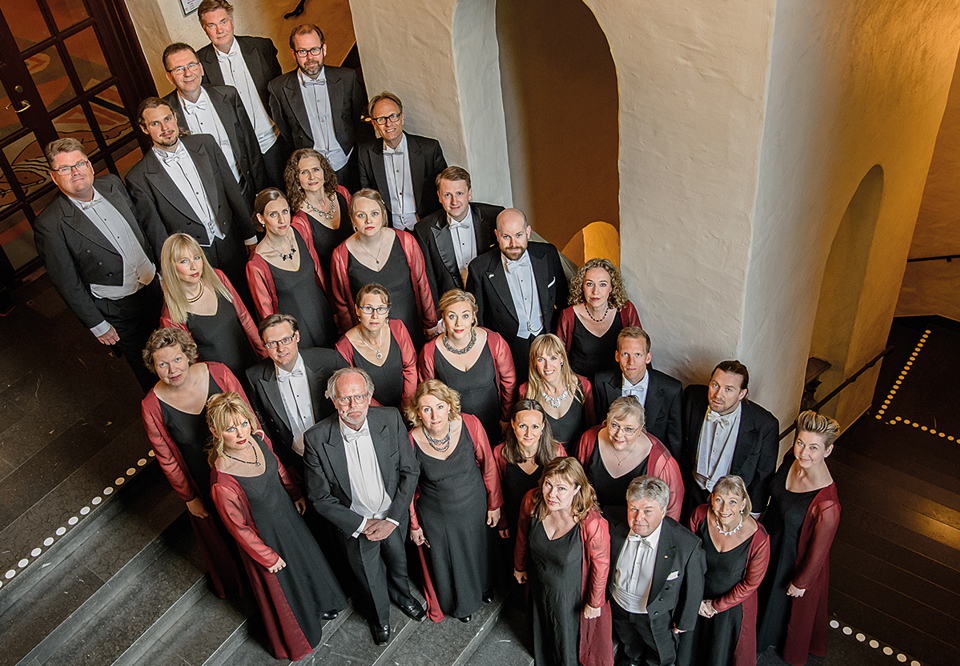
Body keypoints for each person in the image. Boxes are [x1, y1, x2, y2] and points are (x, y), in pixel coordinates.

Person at [208, 392, 347, 661]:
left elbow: (279, 469)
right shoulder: (222, 482)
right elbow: (237, 528)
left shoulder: (258, 440)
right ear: (216, 432)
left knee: (306, 564)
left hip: (288, 519)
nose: (240, 433)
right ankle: (307, 626)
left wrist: (294, 493)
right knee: (288, 582)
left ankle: (322, 605)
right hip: (265, 536)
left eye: (243, 423)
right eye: (230, 428)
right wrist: (266, 556)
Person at [302, 368, 425, 645]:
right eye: (345, 399)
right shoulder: (316, 439)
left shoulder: (390, 418)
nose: (353, 405)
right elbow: (319, 497)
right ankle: (380, 618)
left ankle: (404, 597)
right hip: (356, 526)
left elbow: (409, 471)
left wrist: (393, 519)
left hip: (392, 518)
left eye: (359, 397)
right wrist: (363, 525)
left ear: (369, 396)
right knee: (369, 577)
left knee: (399, 563)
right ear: (334, 401)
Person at [34, 138, 165, 392]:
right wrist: (97, 324)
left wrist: (161, 272)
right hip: (119, 310)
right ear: (54, 177)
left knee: (177, 349)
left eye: (80, 163)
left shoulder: (113, 184)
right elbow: (67, 282)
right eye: (65, 169)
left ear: (90, 166)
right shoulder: (50, 224)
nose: (75, 172)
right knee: (149, 370)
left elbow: (143, 228)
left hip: (154, 288)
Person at [140, 328, 245, 598]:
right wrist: (188, 497)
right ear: (154, 367)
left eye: (176, 359)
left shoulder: (218, 373)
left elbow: (248, 418)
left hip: (245, 468)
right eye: (162, 364)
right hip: (205, 481)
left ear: (188, 355)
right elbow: (167, 458)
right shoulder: (152, 405)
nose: (171, 369)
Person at [126, 97, 257, 312]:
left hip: (231, 241)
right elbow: (156, 230)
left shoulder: (205, 143)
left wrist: (250, 235)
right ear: (144, 128)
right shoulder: (139, 177)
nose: (165, 128)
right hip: (193, 260)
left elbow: (231, 190)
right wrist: (169, 271)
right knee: (220, 310)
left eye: (167, 119)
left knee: (251, 297)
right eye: (155, 124)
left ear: (175, 117)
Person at [405, 379, 502, 623]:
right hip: (438, 517)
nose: (434, 415)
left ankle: (484, 587)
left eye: (439, 406)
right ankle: (462, 603)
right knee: (453, 561)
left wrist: (494, 504)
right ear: (418, 413)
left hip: (475, 505)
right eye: (426, 409)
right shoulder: (411, 440)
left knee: (479, 549)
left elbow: (488, 464)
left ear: (449, 406)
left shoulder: (470, 423)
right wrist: (414, 525)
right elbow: (408, 488)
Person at [756, 411, 841, 666]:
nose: (803, 452)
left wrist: (801, 582)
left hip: (790, 559)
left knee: (774, 606)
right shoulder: (791, 459)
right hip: (769, 540)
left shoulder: (828, 505)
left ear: (828, 451)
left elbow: (818, 554)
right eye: (801, 443)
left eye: (813, 448)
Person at [514, 457, 613, 666]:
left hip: (570, 596)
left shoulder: (591, 522)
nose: (552, 494)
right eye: (548, 484)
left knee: (567, 644)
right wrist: (519, 566)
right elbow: (522, 535)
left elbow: (601, 564)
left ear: (576, 489)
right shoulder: (532, 501)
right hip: (539, 585)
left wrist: (595, 602)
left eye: (561, 488)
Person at [608, 475, 705, 666]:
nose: (638, 518)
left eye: (647, 511)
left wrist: (684, 621)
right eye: (633, 509)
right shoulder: (610, 521)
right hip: (619, 608)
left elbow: (694, 587)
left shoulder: (686, 544)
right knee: (630, 651)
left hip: (657, 616)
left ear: (663, 511)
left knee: (660, 658)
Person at [466, 208, 568, 383]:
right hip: (509, 345)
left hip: (546, 338)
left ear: (528, 232)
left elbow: (563, 299)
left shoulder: (548, 254)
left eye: (519, 235)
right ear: (497, 235)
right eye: (506, 237)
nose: (513, 243)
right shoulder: (479, 268)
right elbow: (478, 320)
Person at [162, 42, 267, 206]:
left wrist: (261, 192)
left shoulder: (227, 94)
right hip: (207, 201)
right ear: (169, 77)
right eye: (178, 69)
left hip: (243, 187)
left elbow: (250, 145)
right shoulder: (165, 112)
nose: (188, 73)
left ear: (201, 68)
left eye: (191, 65)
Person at [329, 188, 437, 349]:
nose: (368, 220)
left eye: (374, 213)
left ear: (383, 215)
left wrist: (431, 324)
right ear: (352, 219)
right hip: (370, 340)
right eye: (361, 215)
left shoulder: (406, 241)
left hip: (411, 330)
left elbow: (423, 285)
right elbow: (342, 305)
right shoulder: (340, 255)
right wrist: (354, 341)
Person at [680, 475, 770, 666]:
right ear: (711, 498)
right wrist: (694, 600)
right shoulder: (700, 515)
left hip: (731, 606)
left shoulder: (759, 539)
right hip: (698, 594)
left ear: (743, 504)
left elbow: (750, 584)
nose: (724, 508)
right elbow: (687, 557)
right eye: (719, 499)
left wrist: (715, 606)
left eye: (732, 502)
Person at [196, 0, 287, 186]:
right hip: (238, 152)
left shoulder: (261, 47)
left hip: (273, 141)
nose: (219, 30)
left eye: (223, 22)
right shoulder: (199, 63)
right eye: (211, 25)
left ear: (232, 21)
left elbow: (280, 92)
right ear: (204, 29)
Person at [267, 24, 367, 190]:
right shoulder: (278, 88)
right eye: (302, 51)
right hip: (309, 173)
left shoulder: (347, 77)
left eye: (314, 49)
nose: (310, 57)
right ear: (294, 53)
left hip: (346, 162)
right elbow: (285, 129)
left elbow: (354, 117)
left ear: (324, 49)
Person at [245, 314, 347, 475]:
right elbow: (263, 425)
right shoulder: (254, 377)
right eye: (272, 343)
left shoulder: (329, 360)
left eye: (286, 339)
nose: (280, 349)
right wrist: (286, 464)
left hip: (341, 448)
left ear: (297, 336)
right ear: (264, 345)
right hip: (300, 461)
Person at [159, 233, 265, 384]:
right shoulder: (171, 316)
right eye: (184, 261)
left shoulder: (218, 278)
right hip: (224, 383)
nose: (194, 266)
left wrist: (264, 354)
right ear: (171, 267)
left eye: (197, 257)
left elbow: (244, 317)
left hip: (253, 365)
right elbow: (191, 365)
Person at [679, 360, 779, 519]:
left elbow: (763, 475)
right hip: (692, 491)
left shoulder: (765, 425)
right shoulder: (692, 397)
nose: (718, 395)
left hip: (730, 504)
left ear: (742, 394)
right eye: (715, 385)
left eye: (729, 389)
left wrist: (753, 515)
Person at [418, 289, 516, 446]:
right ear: (443, 318)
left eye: (465, 315)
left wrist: (505, 419)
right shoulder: (429, 352)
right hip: (454, 430)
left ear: (473, 317)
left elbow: (509, 384)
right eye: (452, 316)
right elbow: (427, 396)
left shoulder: (494, 342)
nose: (459, 323)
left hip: (494, 423)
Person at [245, 188, 338, 348]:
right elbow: (266, 315)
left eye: (285, 211)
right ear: (261, 218)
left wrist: (335, 309)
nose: (282, 220)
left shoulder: (300, 230)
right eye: (273, 214)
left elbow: (319, 274)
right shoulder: (256, 265)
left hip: (324, 316)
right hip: (295, 335)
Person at [576, 396, 684, 520]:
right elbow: (576, 483)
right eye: (614, 425)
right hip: (591, 523)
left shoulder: (661, 462)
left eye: (628, 429)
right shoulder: (589, 440)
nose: (619, 434)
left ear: (641, 428)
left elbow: (671, 512)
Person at [358, 92, 447, 230]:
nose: (388, 124)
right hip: (389, 228)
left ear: (402, 118)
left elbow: (445, 190)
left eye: (393, 116)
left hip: (427, 224)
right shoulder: (365, 153)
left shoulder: (429, 148)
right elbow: (367, 196)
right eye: (382, 119)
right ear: (374, 124)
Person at [414, 166, 503, 301]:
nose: (454, 201)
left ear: (470, 193)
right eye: (447, 195)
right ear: (439, 197)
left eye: (459, 193)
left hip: (492, 301)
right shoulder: (424, 229)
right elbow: (429, 280)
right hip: (452, 307)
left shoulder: (495, 216)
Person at [593, 327, 683, 458]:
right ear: (617, 356)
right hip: (613, 454)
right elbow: (598, 427)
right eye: (625, 354)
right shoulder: (601, 382)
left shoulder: (671, 389)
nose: (631, 362)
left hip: (651, 459)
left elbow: (675, 441)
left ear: (648, 357)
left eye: (638, 355)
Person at [334, 283, 418, 410]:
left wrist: (407, 404)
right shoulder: (343, 348)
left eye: (381, 309)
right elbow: (356, 391)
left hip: (409, 405)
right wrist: (386, 414)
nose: (375, 315)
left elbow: (410, 367)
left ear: (387, 311)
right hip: (374, 413)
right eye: (368, 308)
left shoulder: (398, 328)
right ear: (357, 310)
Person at [494, 400, 568, 542]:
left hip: (546, 522)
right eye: (523, 426)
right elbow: (497, 491)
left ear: (543, 427)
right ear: (513, 425)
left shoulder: (556, 452)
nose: (529, 433)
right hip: (513, 519)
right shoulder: (500, 453)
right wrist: (502, 520)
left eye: (535, 427)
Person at [557, 258, 642, 382]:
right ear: (582, 287)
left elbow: (640, 347)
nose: (595, 292)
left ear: (612, 287)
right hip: (580, 385)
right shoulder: (568, 315)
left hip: (616, 383)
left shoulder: (626, 310)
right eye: (589, 284)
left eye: (603, 284)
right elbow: (558, 356)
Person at [519, 333, 595, 447]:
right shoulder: (526, 391)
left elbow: (591, 430)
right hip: (545, 459)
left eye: (553, 358)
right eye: (541, 359)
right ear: (534, 362)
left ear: (562, 359)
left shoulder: (583, 386)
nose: (547, 366)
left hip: (577, 459)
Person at [285, 148, 353, 272]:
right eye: (304, 172)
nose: (312, 177)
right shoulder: (299, 222)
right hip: (335, 279)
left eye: (316, 169)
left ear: (324, 172)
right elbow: (314, 269)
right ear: (296, 179)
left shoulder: (342, 193)